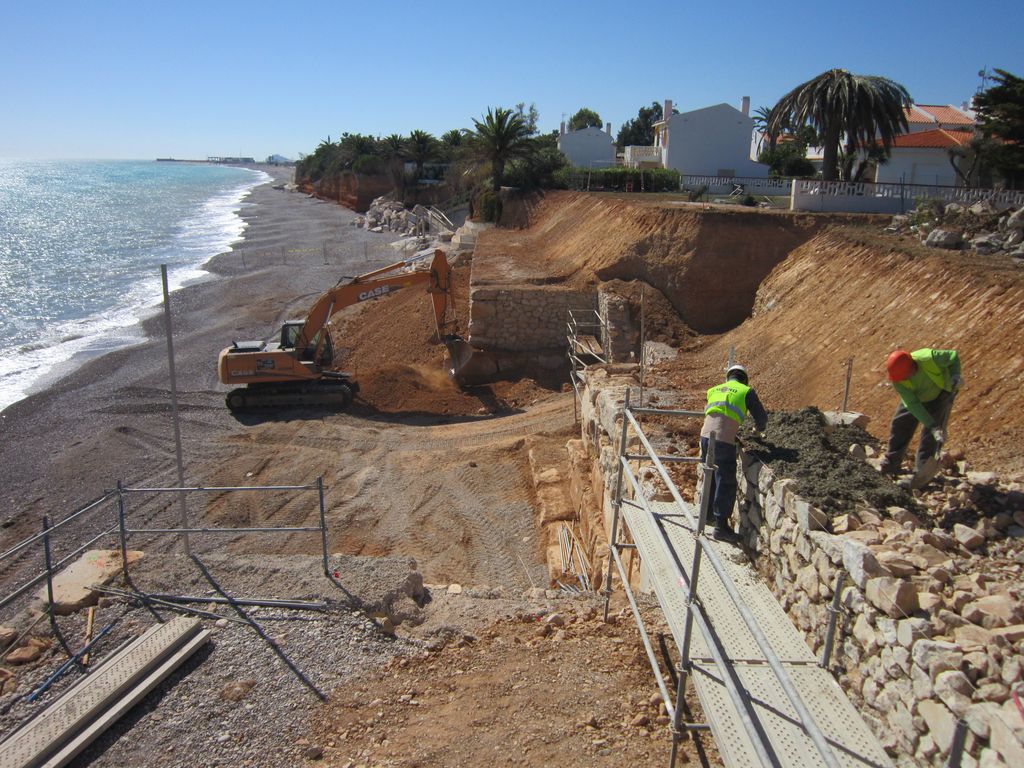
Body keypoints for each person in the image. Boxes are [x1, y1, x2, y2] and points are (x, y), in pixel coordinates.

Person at [700, 364, 769, 543]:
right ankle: (721, 527)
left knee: (711, 473)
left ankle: (707, 515)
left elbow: (718, 414)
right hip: (722, 439)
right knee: (726, 480)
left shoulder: (713, 390)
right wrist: (758, 430)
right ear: (744, 379)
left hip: (705, 437)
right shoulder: (746, 391)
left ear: (728, 377)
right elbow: (761, 418)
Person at [879, 348, 961, 477]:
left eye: (904, 376)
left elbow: (953, 357)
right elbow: (912, 405)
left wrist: (955, 374)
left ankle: (922, 472)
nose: (902, 380)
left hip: (940, 394)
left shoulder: (929, 357)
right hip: (916, 399)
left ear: (911, 368)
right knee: (900, 424)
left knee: (930, 437)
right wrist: (931, 425)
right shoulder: (898, 380)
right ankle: (891, 463)